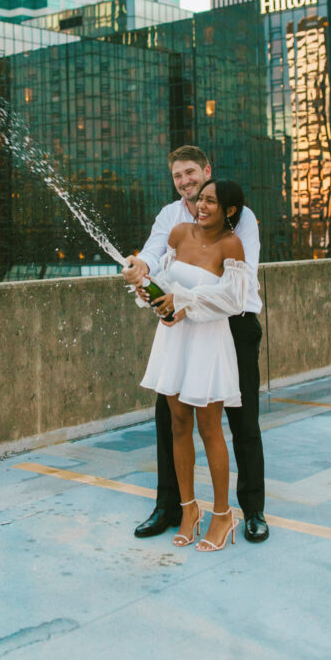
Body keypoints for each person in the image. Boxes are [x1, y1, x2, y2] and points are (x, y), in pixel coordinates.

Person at [123, 145, 269, 543]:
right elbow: (155, 256)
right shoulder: (171, 217)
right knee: (172, 421)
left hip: (232, 327)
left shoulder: (242, 220)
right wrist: (141, 272)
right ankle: (171, 507)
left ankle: (251, 510)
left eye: (191, 173)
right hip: (180, 333)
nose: (186, 182)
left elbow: (238, 285)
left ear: (206, 171)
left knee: (241, 421)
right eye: (178, 176)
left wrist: (185, 302)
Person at [139, 179, 247, 551]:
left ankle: (222, 515)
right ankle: (189, 510)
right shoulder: (179, 233)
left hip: (207, 342)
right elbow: (163, 279)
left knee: (210, 427)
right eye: (201, 198)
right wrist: (150, 290)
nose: (201, 205)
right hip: (174, 339)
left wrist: (183, 302)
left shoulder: (231, 245)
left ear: (229, 211)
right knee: (178, 422)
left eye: (211, 201)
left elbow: (234, 299)